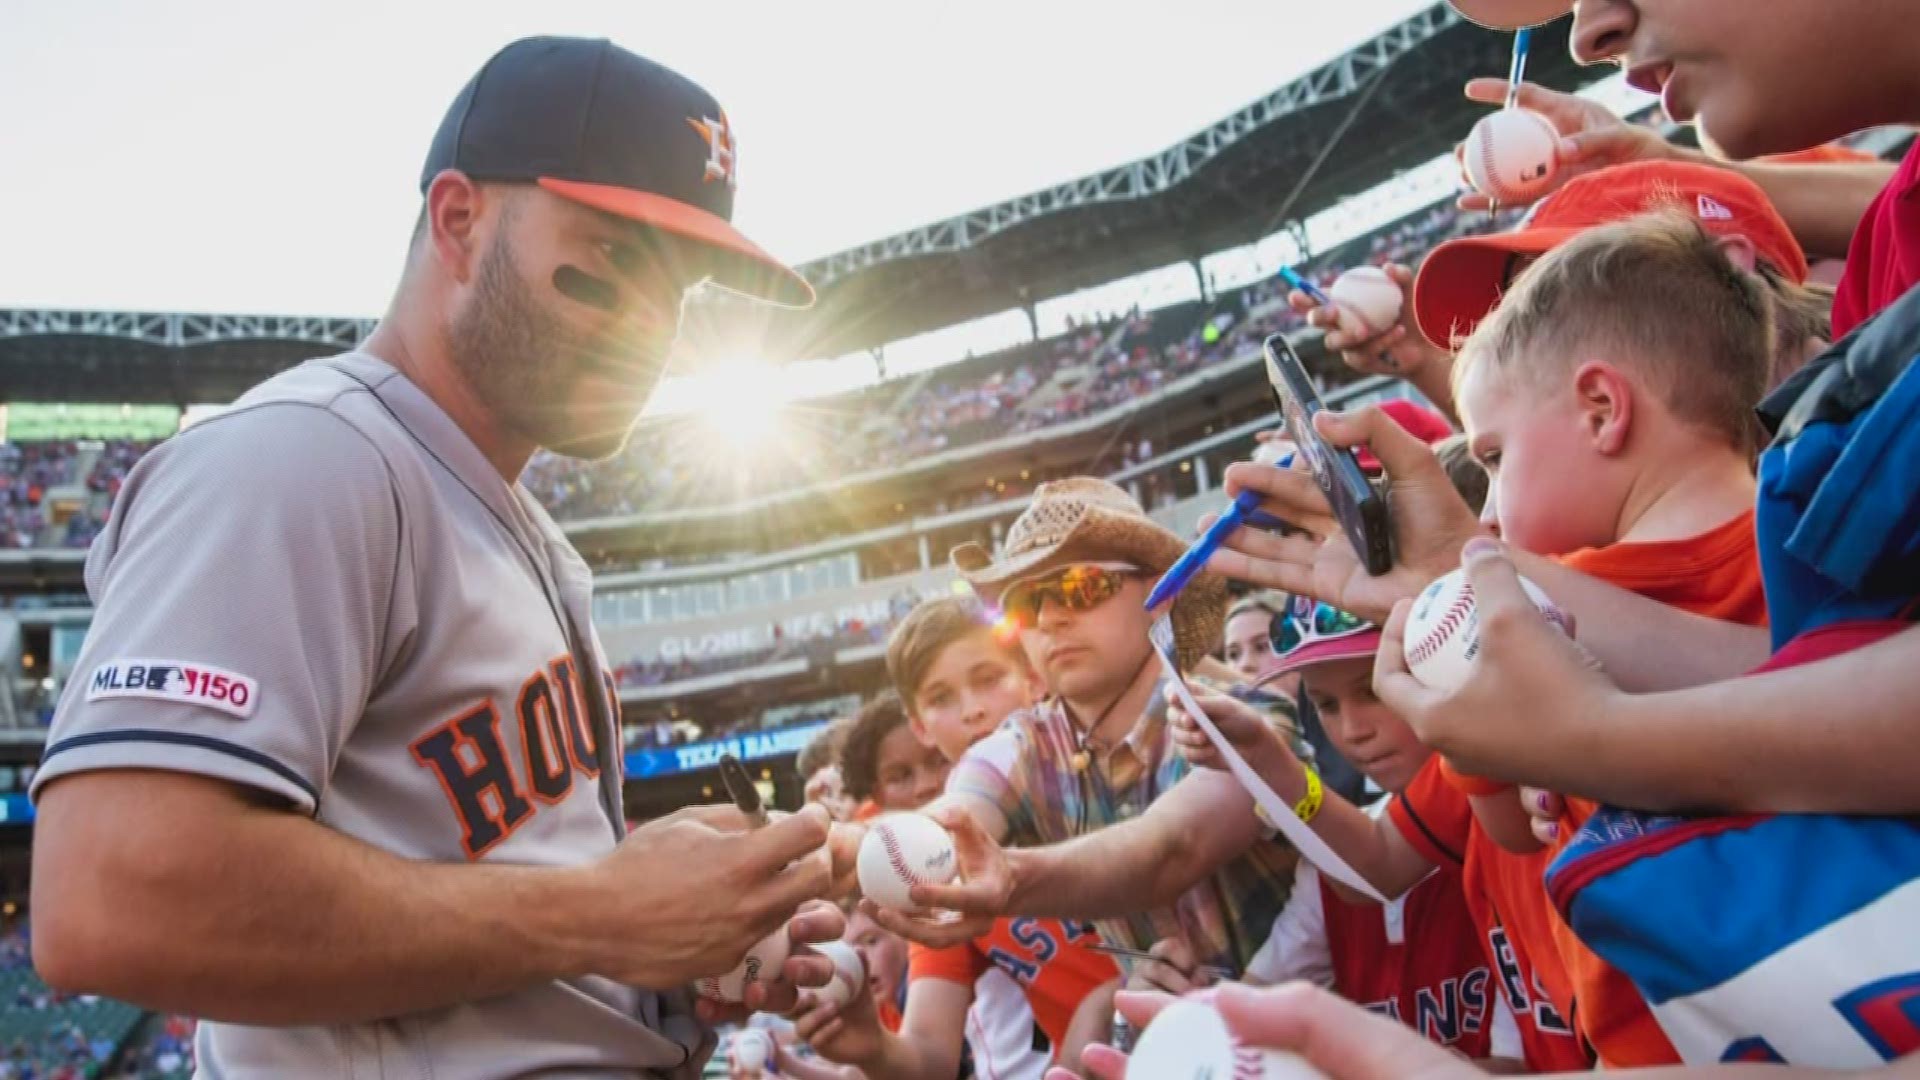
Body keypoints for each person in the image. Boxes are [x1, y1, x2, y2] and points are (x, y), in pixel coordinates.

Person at [28, 36, 842, 1078]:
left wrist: (672, 953)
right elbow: (111, 896)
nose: (651, 325)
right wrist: (600, 915)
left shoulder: (508, 521)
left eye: (677, 288)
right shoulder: (308, 455)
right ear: (458, 221)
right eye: (612, 257)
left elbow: (502, 919)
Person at [863, 479, 1298, 982]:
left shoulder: (1250, 719)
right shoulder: (1022, 745)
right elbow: (945, 821)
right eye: (1025, 604)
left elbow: (1171, 851)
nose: (1049, 618)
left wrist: (1011, 877)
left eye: (1080, 587)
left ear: (1161, 594)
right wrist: (840, 848)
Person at [1132, 596, 1525, 1071]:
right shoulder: (1330, 867)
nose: (1354, 730)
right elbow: (1252, 1003)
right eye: (1326, 705)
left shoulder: (1509, 819)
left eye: (1373, 692)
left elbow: (1520, 1067)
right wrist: (1190, 1008)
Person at [798, 599, 1120, 1080]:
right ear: (920, 725)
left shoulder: (1107, 767)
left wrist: (1113, 999)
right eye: (941, 698)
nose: (973, 710)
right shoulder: (930, 878)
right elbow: (929, 1059)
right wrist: (874, 1050)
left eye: (990, 678)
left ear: (1032, 678)